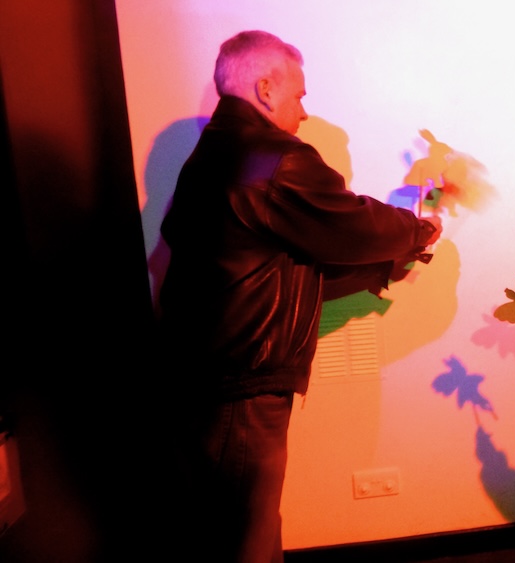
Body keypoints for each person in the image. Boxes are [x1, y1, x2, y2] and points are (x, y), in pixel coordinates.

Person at [156, 30, 440, 562]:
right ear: (266, 88)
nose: (304, 111)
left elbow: (275, 263)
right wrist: (418, 230)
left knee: (226, 530)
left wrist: (382, 266)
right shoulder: (274, 157)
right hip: (240, 384)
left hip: (204, 380)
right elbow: (353, 223)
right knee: (246, 538)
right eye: (300, 95)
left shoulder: (208, 158)